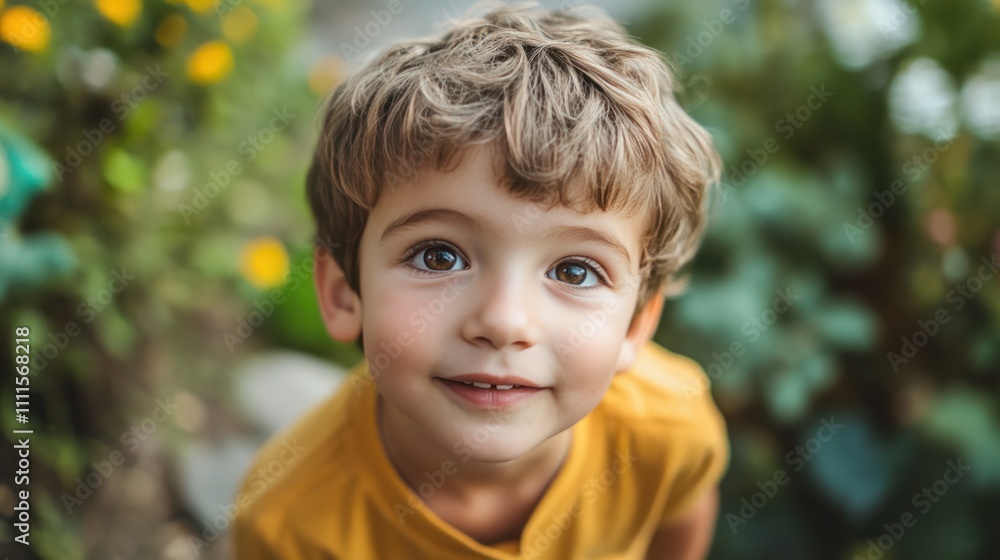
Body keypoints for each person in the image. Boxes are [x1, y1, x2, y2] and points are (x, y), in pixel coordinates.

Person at [232, 3, 729, 558]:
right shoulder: (289, 523)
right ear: (344, 293)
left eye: (574, 271)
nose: (503, 321)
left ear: (637, 326)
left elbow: (679, 526)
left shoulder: (667, 429)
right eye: (439, 258)